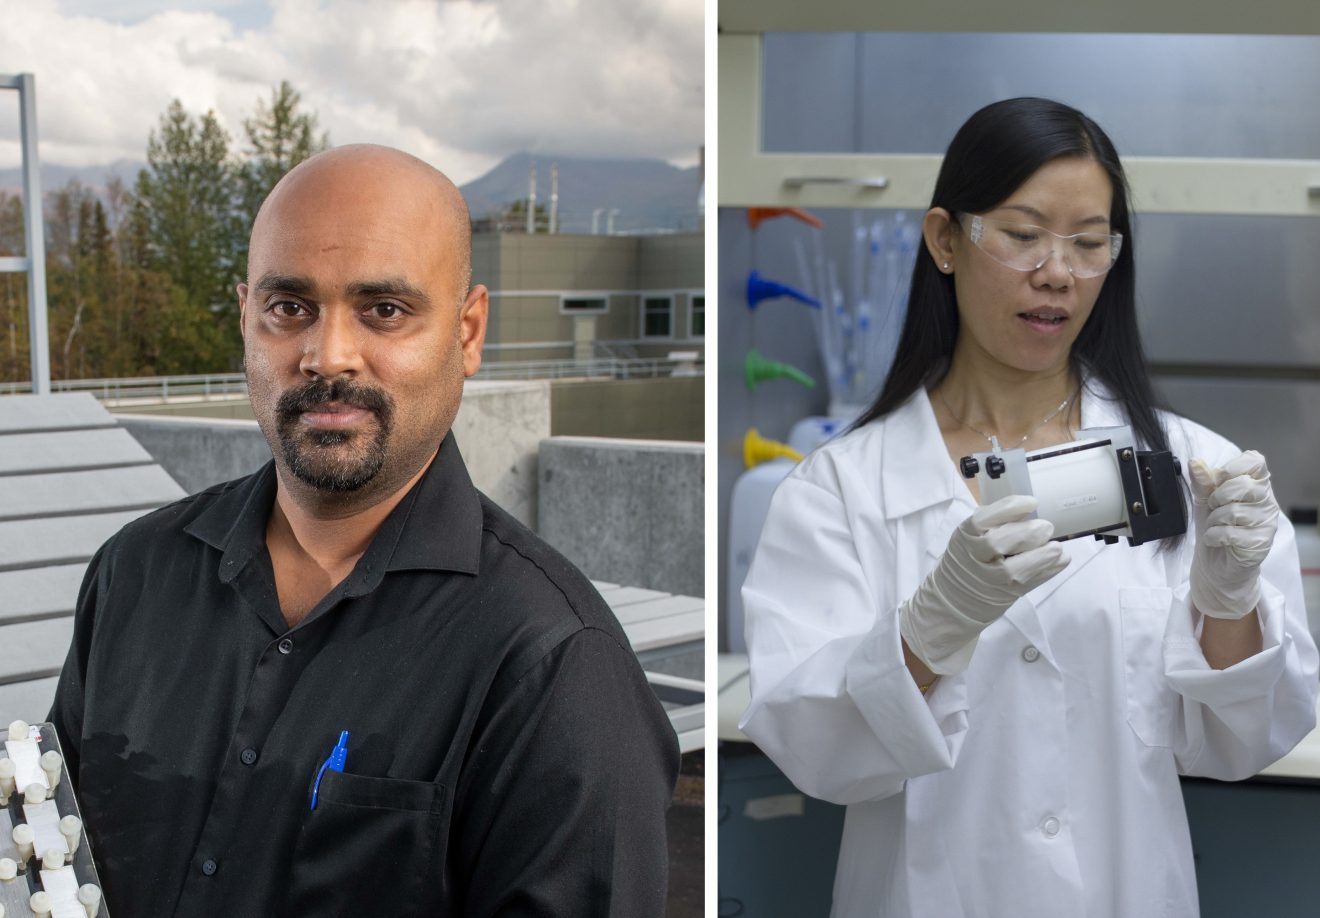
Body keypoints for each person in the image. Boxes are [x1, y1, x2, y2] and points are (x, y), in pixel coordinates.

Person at [49, 145, 679, 916]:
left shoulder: (553, 665)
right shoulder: (134, 575)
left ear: (468, 331)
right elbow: (53, 860)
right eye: (290, 308)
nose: (328, 357)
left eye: (384, 310)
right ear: (246, 316)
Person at [739, 98, 1317, 917]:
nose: (1058, 272)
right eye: (1023, 234)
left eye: (1089, 242)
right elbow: (810, 747)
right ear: (945, 240)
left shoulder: (1194, 469)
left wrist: (1227, 605)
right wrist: (928, 632)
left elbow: (1244, 739)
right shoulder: (843, 487)